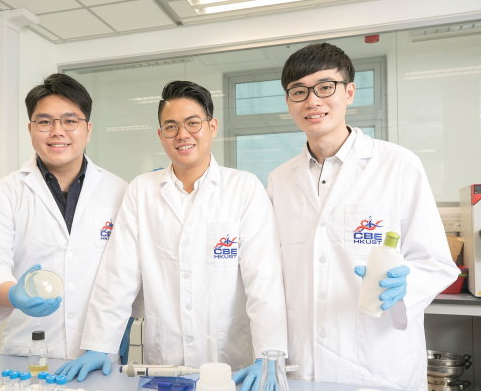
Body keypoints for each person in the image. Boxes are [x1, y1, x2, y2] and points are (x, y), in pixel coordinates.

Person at [56, 80, 287, 389]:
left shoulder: (243, 188)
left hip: (231, 364)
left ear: (212, 126)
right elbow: (118, 273)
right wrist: (100, 343)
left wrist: (269, 355)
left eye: (193, 123)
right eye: (171, 126)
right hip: (163, 364)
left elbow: (265, 280)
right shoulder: (142, 190)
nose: (182, 135)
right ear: (160, 135)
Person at [267, 43, 459, 390]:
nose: (312, 101)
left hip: (376, 362)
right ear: (288, 102)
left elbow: (434, 261)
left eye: (325, 87)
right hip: (302, 365)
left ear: (349, 92)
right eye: (299, 92)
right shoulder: (279, 179)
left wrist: (404, 287)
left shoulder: (398, 165)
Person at [0, 73, 132, 361]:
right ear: (30, 129)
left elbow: (130, 270)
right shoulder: (6, 193)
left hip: (100, 351)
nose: (57, 131)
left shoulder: (120, 191)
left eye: (70, 120)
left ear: (88, 129)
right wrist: (14, 294)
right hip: (29, 351)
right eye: (44, 122)